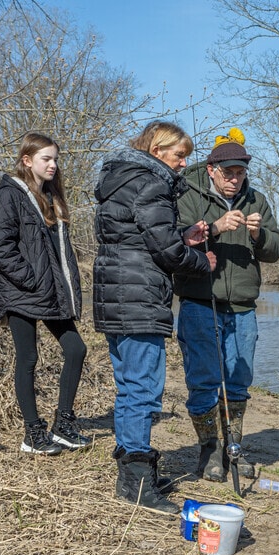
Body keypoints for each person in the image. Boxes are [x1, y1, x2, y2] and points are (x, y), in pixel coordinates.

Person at [92, 121, 216, 514]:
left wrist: (182, 235)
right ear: (158, 150)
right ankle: (135, 483)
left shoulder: (120, 178)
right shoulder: (152, 182)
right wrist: (201, 259)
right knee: (143, 389)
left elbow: (139, 236)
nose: (183, 164)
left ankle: (135, 470)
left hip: (116, 294)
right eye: (179, 156)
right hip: (139, 297)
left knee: (130, 386)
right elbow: (164, 253)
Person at [175, 128, 279, 483]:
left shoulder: (257, 200)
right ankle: (209, 452)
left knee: (238, 383)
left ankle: (232, 450)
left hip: (243, 307)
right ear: (211, 170)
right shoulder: (187, 195)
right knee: (204, 382)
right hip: (197, 303)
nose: (235, 179)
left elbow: (276, 249)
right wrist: (216, 228)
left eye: (240, 172)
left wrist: (258, 235)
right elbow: (173, 241)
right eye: (228, 173)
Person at [0, 132, 91, 456]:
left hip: (49, 292)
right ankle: (33, 434)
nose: (53, 165)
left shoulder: (51, 197)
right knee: (28, 358)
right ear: (27, 160)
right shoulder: (11, 194)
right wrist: (30, 278)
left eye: (56, 159)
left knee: (76, 349)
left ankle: (63, 425)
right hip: (21, 291)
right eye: (47, 158)